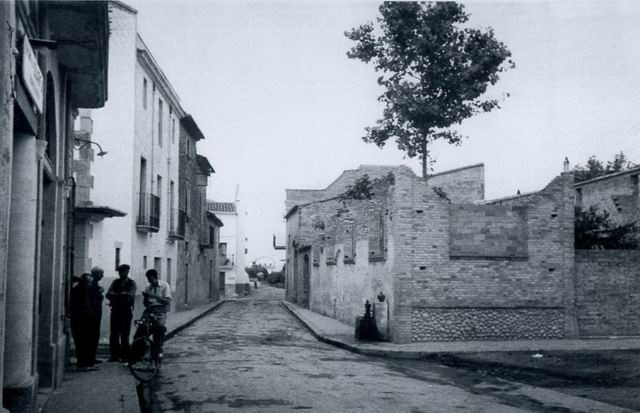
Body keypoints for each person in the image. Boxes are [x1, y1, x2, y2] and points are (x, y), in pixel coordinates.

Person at [137, 269, 171, 357]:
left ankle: (158, 350)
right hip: (149, 310)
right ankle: (139, 355)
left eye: (151, 279)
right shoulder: (148, 288)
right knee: (140, 330)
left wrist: (153, 295)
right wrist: (145, 298)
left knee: (159, 328)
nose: (150, 282)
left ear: (156, 277)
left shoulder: (164, 285)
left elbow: (167, 301)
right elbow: (145, 304)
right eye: (148, 279)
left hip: (160, 310)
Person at [106, 264, 136, 362]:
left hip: (126, 311)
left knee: (124, 333)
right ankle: (114, 355)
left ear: (127, 272)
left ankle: (125, 356)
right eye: (119, 272)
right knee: (114, 333)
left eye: (123, 272)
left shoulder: (132, 283)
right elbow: (108, 294)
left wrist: (115, 297)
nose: (121, 274)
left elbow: (129, 297)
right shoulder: (115, 282)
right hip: (115, 310)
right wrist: (120, 294)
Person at [70, 273, 96, 371]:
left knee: (84, 342)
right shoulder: (79, 291)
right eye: (88, 282)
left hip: (84, 320)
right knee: (82, 342)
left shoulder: (83, 290)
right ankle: (83, 364)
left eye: (91, 283)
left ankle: (85, 363)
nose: (90, 284)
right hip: (80, 320)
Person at [87, 266, 105, 366]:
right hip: (93, 314)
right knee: (93, 335)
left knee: (94, 335)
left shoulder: (94, 284)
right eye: (101, 274)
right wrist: (100, 293)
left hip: (96, 313)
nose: (102, 276)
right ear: (96, 274)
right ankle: (91, 358)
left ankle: (92, 357)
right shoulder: (92, 284)